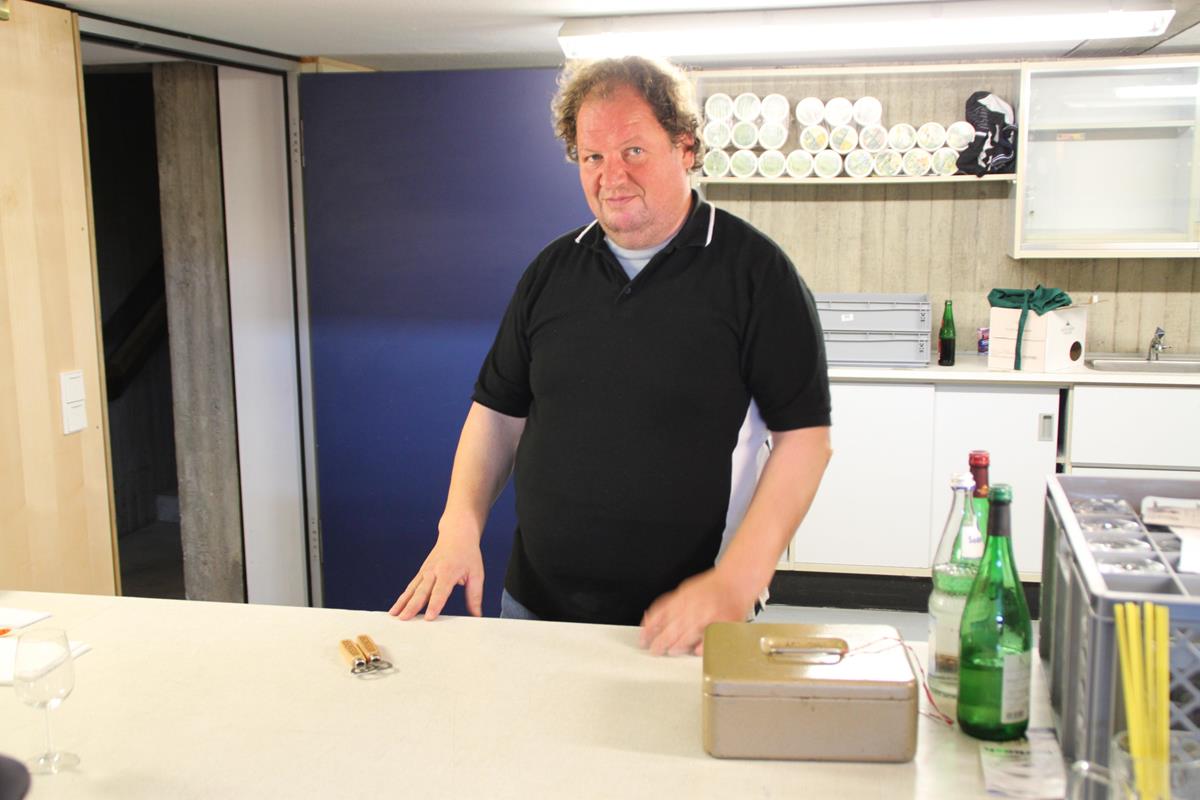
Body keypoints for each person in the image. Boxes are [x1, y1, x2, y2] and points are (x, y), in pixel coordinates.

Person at [389, 56, 831, 656]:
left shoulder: (756, 274)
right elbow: (497, 414)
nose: (611, 176)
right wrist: (458, 526)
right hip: (534, 608)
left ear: (685, 148)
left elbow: (805, 442)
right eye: (592, 156)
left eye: (634, 151)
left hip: (686, 620)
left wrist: (739, 580)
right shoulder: (551, 271)